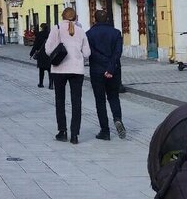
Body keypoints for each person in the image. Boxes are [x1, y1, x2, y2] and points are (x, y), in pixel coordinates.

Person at [44, 8, 89, 143]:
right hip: (77, 70)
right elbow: (87, 53)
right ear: (75, 17)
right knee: (76, 101)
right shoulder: (81, 31)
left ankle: (62, 131)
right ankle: (75, 134)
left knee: (60, 101)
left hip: (59, 69)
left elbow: (47, 49)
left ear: (62, 16)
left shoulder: (56, 28)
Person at [86, 10, 126, 140]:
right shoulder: (116, 33)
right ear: (107, 18)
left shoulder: (89, 34)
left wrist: (103, 66)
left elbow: (90, 52)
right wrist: (110, 67)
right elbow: (118, 52)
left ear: (95, 19)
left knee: (100, 100)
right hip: (113, 70)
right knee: (114, 97)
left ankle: (105, 130)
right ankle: (117, 118)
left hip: (97, 70)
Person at [29, 22, 53, 88]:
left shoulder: (39, 34)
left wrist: (31, 53)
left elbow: (35, 45)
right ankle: (51, 85)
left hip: (41, 54)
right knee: (50, 70)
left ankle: (41, 83)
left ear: (41, 28)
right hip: (49, 54)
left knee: (41, 70)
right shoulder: (50, 34)